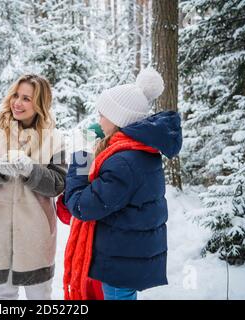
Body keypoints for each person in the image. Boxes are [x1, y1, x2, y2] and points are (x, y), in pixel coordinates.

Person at [63, 68, 182, 300]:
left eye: (102, 115)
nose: (98, 121)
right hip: (126, 255)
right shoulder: (137, 151)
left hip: (120, 264)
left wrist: (81, 158)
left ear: (118, 119)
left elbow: (82, 206)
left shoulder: (123, 162)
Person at [0, 74, 67, 300]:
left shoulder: (53, 138)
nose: (17, 103)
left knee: (40, 295)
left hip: (35, 237)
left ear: (40, 103)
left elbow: (58, 184)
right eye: (16, 95)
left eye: (26, 98)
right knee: (3, 295)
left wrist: (32, 170)